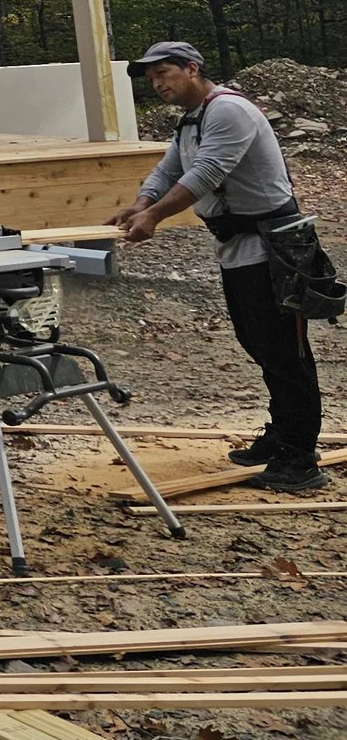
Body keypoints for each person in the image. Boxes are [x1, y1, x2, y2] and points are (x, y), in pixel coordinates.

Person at [112, 39, 330, 490]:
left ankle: (300, 459)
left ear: (192, 69)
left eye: (163, 73)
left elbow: (207, 172)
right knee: (259, 345)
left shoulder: (228, 110)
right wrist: (140, 203)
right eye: (151, 78)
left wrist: (155, 216)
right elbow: (168, 170)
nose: (157, 84)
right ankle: (283, 435)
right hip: (240, 246)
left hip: (274, 249)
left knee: (284, 353)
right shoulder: (191, 119)